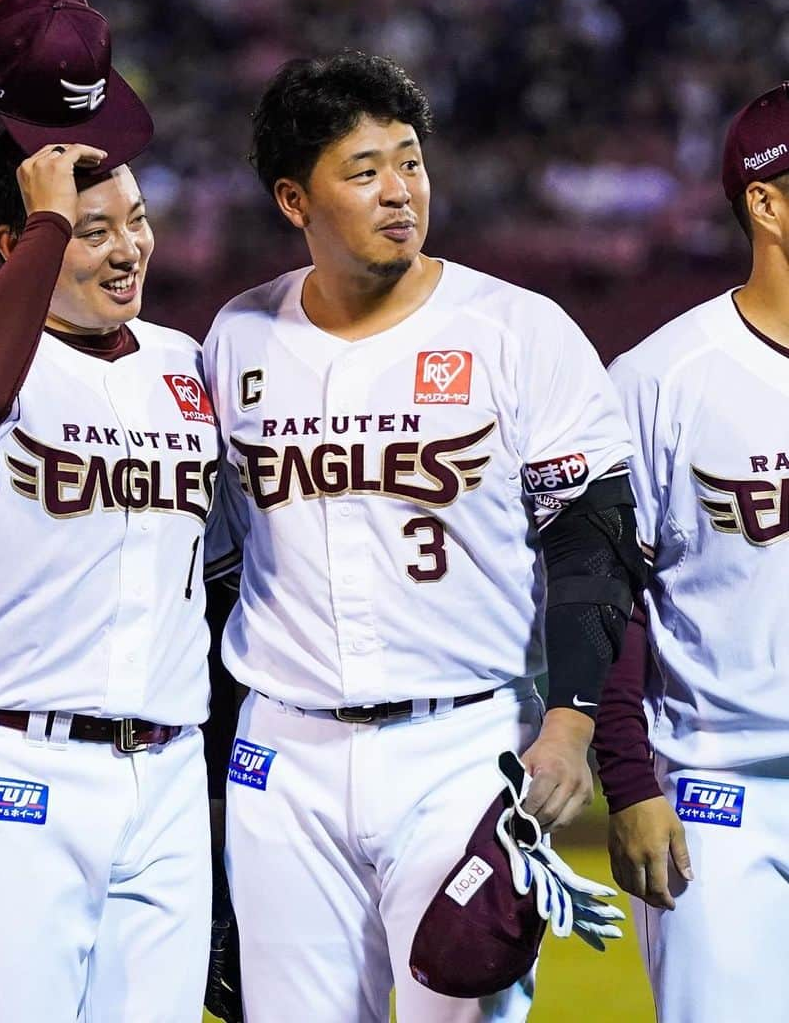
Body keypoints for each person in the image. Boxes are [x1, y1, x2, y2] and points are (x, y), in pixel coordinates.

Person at [201, 51, 644, 1022]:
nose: (400, 191)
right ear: (293, 198)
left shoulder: (516, 330)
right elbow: (215, 580)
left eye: (410, 162)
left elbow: (592, 546)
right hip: (281, 754)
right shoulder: (236, 341)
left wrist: (568, 727)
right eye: (364, 171)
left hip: (462, 749)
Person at [0, 0, 220, 1021]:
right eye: (92, 231)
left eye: (135, 220)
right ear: (20, 245)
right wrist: (46, 223)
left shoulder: (188, 364)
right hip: (15, 770)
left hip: (168, 772)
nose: (129, 248)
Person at [593, 82, 789, 1022]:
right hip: (724, 789)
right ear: (766, 199)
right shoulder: (660, 379)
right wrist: (627, 780)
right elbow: (606, 595)